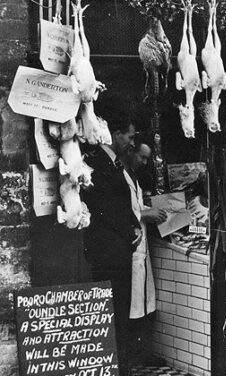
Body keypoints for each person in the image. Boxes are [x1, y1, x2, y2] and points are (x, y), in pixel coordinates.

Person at [82, 106, 140, 376]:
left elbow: (122, 203)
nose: (132, 142)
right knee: (113, 307)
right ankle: (116, 366)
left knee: (120, 306)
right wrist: (130, 231)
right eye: (129, 136)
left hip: (119, 247)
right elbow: (105, 206)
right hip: (108, 249)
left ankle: (121, 363)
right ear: (115, 135)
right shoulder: (96, 162)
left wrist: (135, 224)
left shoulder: (115, 161)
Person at [121, 140, 167, 367]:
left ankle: (143, 354)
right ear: (131, 152)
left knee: (144, 302)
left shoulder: (133, 175)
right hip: (131, 250)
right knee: (132, 304)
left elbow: (136, 206)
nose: (145, 162)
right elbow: (124, 212)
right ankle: (130, 357)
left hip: (141, 249)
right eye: (143, 157)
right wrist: (146, 214)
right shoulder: (120, 175)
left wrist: (147, 209)